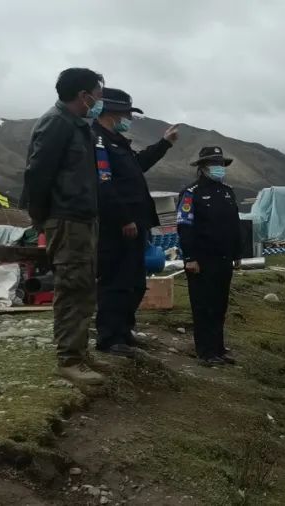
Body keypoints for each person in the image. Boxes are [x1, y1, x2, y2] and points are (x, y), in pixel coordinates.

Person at [20, 68, 105, 385]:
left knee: (83, 286)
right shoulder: (56, 123)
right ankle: (69, 360)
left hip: (82, 218)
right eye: (97, 95)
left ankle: (80, 352)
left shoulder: (78, 125)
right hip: (66, 219)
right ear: (84, 96)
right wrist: (42, 219)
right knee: (71, 287)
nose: (99, 102)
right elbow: (38, 174)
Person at [92, 88, 179, 358]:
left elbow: (137, 165)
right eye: (126, 114)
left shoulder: (118, 141)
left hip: (137, 223)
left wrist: (164, 144)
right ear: (112, 112)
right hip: (117, 225)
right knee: (116, 281)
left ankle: (125, 331)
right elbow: (103, 185)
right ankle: (110, 337)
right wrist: (124, 218)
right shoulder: (97, 141)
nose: (128, 119)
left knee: (134, 281)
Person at [177, 146, 242, 367]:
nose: (219, 168)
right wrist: (190, 258)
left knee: (220, 304)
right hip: (201, 260)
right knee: (204, 306)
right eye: (215, 164)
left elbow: (234, 224)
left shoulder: (227, 192)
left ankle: (218, 348)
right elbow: (185, 226)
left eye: (221, 164)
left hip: (224, 258)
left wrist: (237, 253)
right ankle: (205, 352)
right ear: (203, 167)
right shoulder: (191, 193)